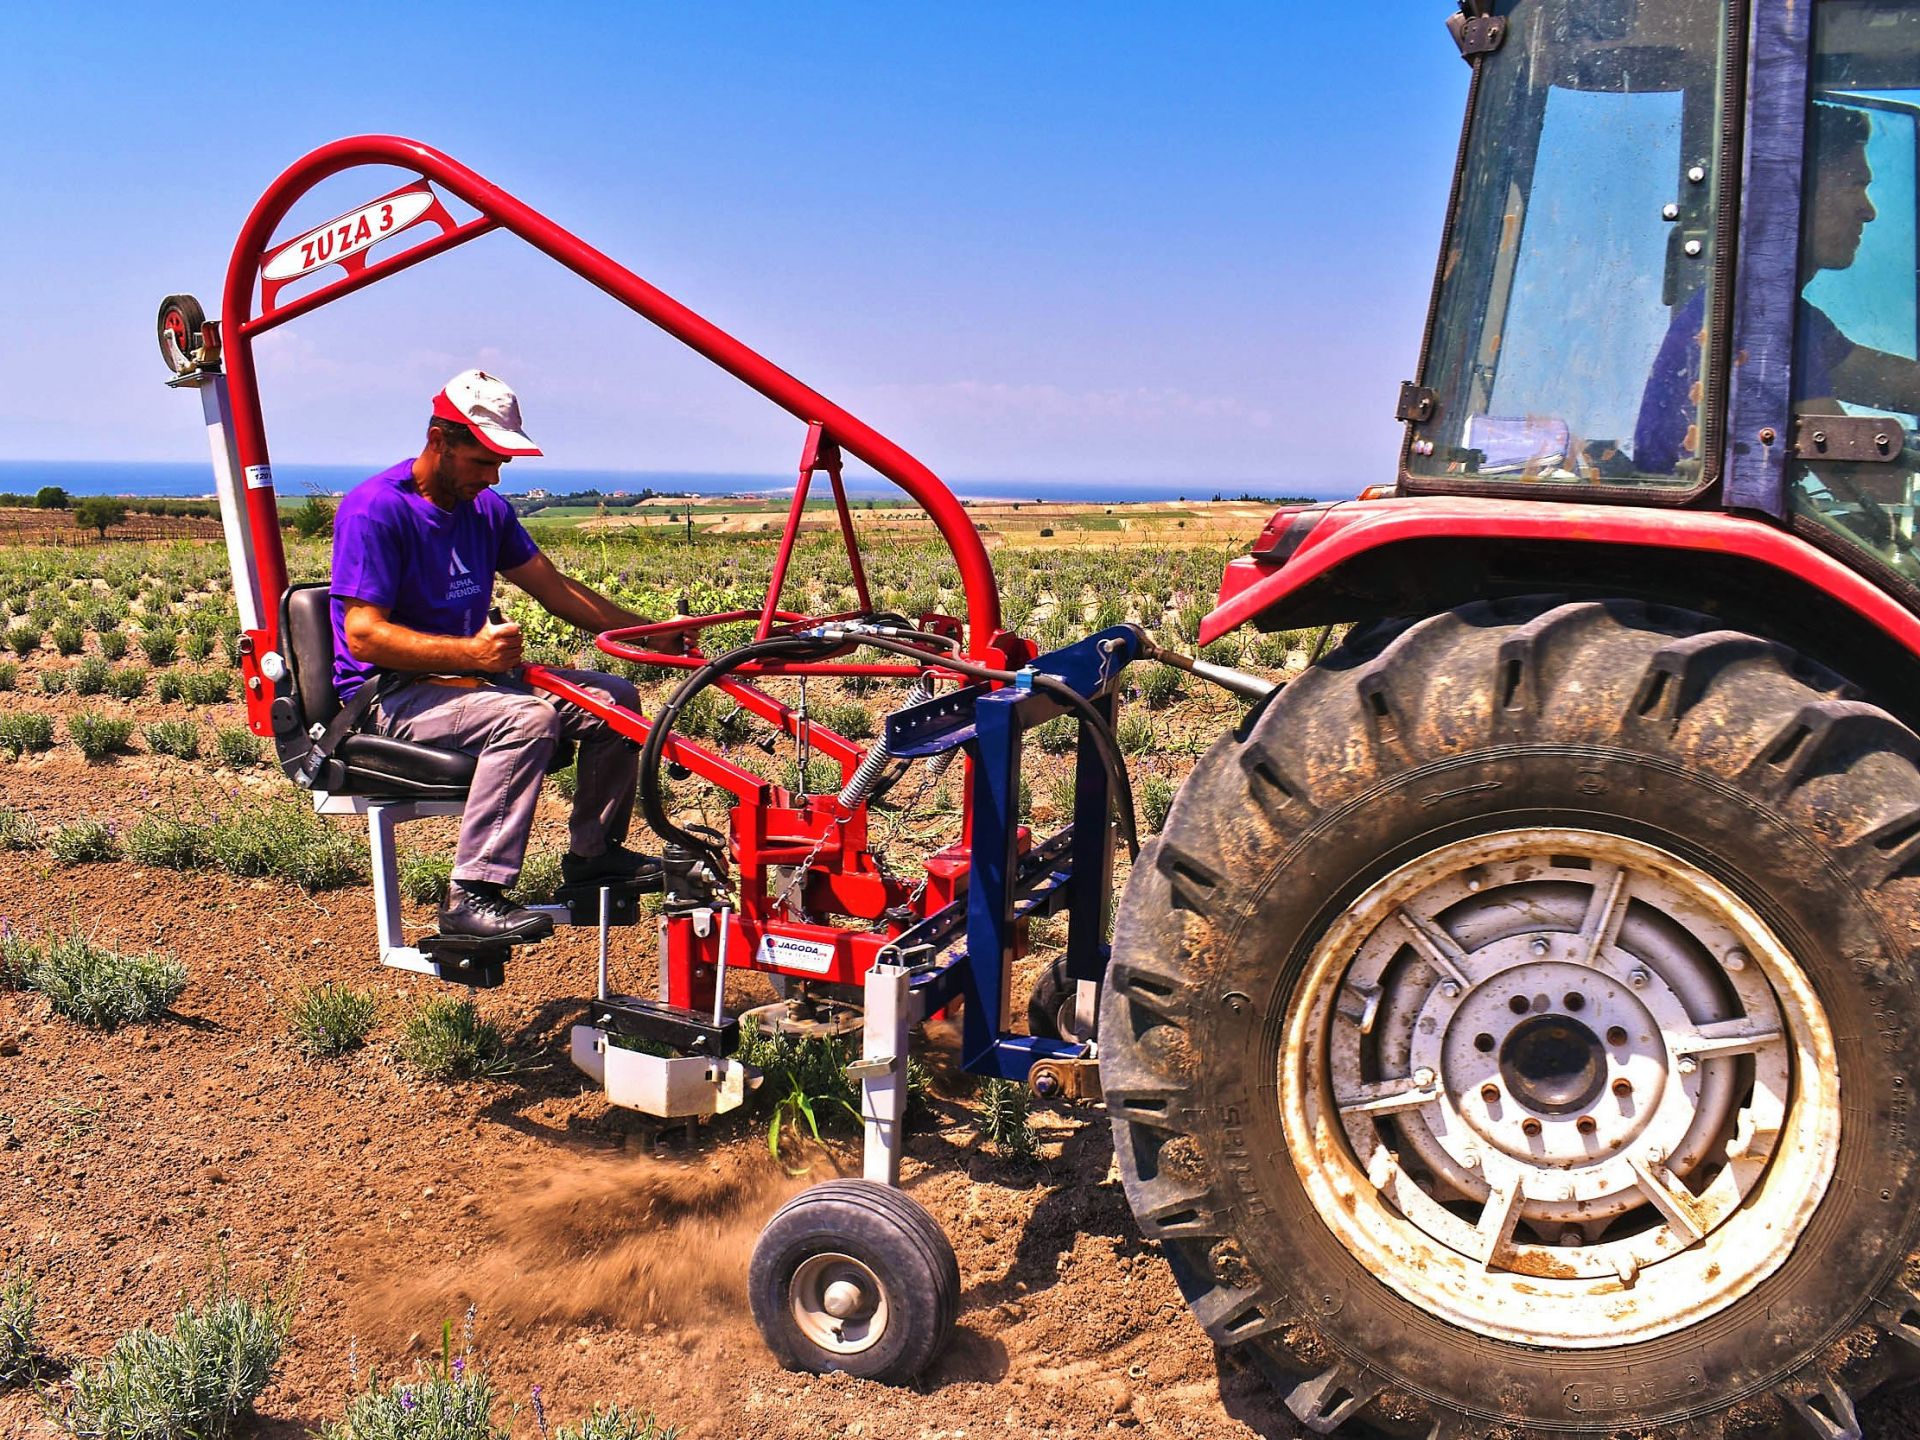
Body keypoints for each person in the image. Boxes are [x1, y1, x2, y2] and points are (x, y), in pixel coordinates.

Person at [330, 370, 655, 943]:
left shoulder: (486, 511)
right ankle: (471, 896)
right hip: (392, 695)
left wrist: (648, 633)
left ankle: (593, 856)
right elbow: (363, 636)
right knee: (530, 718)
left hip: (468, 680)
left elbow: (554, 588)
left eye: (500, 463)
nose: (494, 476)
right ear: (439, 440)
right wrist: (473, 653)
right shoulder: (375, 509)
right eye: (483, 461)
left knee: (616, 701)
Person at [1635, 102, 1913, 473]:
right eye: (1855, 185)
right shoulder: (1757, 319)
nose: (1868, 210)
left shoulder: (1784, 316)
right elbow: (1865, 481)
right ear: (1793, 196)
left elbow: (1891, 382)